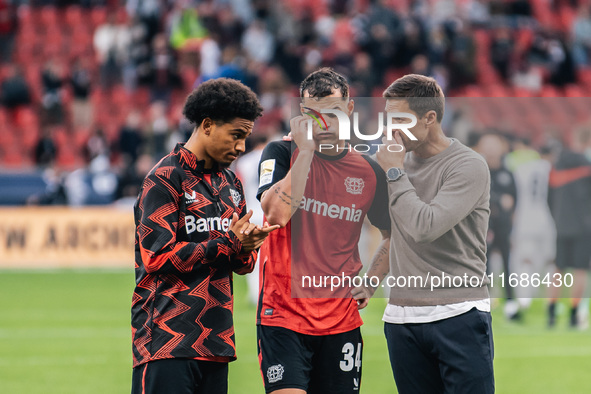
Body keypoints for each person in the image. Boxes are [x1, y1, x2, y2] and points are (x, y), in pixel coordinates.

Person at [131, 78, 279, 394]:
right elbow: (156, 257)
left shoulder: (231, 184)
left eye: (246, 138)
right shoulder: (165, 178)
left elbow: (242, 264)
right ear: (208, 125)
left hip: (216, 343)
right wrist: (229, 243)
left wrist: (247, 246)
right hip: (166, 340)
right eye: (236, 136)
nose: (241, 147)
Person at [256, 68, 391, 394]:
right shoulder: (281, 153)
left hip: (340, 319)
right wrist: (306, 154)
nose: (323, 123)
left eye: (331, 113)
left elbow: (393, 233)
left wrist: (371, 282)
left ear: (349, 110)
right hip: (283, 316)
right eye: (312, 115)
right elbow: (276, 214)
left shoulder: (369, 171)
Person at [368, 74, 494, 393]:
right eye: (388, 119)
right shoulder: (390, 165)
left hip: (458, 312)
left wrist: (394, 173)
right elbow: (393, 234)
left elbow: (424, 227)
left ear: (430, 118)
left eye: (400, 119)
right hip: (401, 319)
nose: (391, 129)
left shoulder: (468, 166)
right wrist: (369, 283)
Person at [547, 126, 591, 329]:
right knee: (580, 270)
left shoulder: (558, 164)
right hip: (583, 226)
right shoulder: (586, 165)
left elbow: (549, 197)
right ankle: (574, 314)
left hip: (561, 224)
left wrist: (557, 218)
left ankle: (551, 312)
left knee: (559, 269)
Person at [476, 133, 519, 320]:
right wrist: (499, 200)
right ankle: (482, 303)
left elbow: (516, 199)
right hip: (483, 227)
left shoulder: (507, 172)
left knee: (507, 264)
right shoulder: (478, 170)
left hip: (503, 226)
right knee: (483, 266)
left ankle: (511, 304)